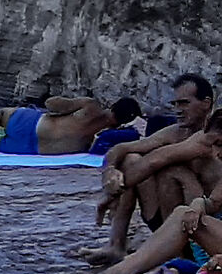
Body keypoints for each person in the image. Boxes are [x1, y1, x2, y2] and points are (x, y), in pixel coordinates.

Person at [75, 112, 222, 274]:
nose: (216, 153)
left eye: (220, 145)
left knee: (180, 205)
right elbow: (214, 202)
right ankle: (120, 258)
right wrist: (200, 204)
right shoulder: (190, 139)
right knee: (182, 213)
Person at [90, 73, 216, 262]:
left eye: (184, 103)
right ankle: (116, 245)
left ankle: (175, 256)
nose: (178, 110)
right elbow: (121, 149)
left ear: (206, 103)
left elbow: (156, 159)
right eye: (175, 104)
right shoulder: (174, 133)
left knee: (171, 170)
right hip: (171, 217)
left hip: (205, 220)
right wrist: (110, 171)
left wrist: (109, 197)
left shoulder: (210, 136)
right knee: (130, 159)